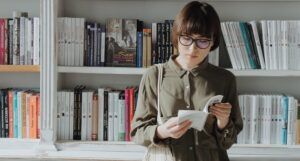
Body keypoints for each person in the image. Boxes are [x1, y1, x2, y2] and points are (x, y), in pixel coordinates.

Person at [130, 1, 243, 161]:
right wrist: (162, 131)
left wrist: (223, 122)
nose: (193, 48)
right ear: (177, 36)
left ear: (213, 42)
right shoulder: (154, 76)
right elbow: (137, 133)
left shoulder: (225, 79)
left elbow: (228, 142)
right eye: (187, 38)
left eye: (202, 41)